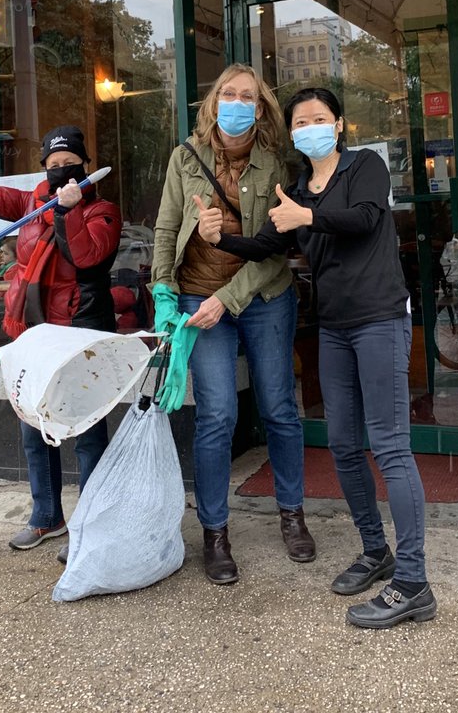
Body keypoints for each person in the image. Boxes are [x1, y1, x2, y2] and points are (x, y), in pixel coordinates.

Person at [196, 87, 436, 629]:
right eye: (300, 121)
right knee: (346, 448)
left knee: (391, 447)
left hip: (379, 319)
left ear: (339, 125)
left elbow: (366, 220)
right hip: (335, 328)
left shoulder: (363, 167)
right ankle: (376, 551)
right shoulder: (298, 188)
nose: (309, 126)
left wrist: (308, 214)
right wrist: (221, 239)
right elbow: (266, 245)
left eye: (319, 118)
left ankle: (415, 580)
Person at [151, 64, 311, 585]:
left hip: (263, 296)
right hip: (198, 298)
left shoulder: (278, 164)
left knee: (280, 407)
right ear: (214, 101)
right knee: (216, 414)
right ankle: (214, 531)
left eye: (248, 95)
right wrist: (161, 288)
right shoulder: (184, 157)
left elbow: (276, 249)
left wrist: (226, 297)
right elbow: (166, 226)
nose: (238, 102)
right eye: (228, 93)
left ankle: (292, 513)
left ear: (260, 107)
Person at [0, 122, 122, 562]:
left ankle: (92, 522)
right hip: (34, 332)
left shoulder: (103, 211)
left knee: (85, 432)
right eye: (54, 164)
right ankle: (47, 516)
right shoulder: (30, 201)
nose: (62, 171)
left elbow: (85, 257)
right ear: (44, 167)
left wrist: (70, 212)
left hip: (78, 332)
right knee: (33, 428)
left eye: (71, 164)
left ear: (86, 166)